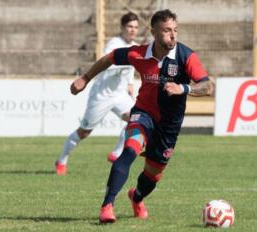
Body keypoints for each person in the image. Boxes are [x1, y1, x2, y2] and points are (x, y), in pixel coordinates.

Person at [70, 9, 212, 223]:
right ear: (154, 32)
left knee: (153, 176)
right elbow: (109, 58)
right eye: (167, 31)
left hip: (168, 126)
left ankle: (136, 197)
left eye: (175, 30)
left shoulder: (185, 56)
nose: (173, 35)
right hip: (143, 114)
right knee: (128, 151)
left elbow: (207, 85)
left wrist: (183, 88)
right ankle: (107, 206)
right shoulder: (139, 53)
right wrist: (85, 78)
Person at [55, 12, 140, 175]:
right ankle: (61, 160)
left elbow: (131, 67)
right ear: (122, 27)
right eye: (129, 26)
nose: (133, 30)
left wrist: (130, 83)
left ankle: (115, 154)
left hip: (120, 94)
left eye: (136, 27)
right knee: (84, 132)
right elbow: (108, 62)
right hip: (102, 96)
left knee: (137, 118)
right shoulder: (114, 43)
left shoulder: (135, 46)